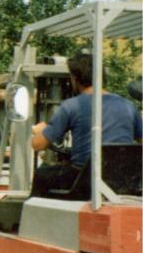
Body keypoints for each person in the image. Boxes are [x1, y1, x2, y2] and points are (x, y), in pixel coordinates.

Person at [31, 53, 142, 196]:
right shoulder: (129, 106)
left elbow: (38, 145)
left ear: (75, 79)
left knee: (42, 175)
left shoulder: (71, 106)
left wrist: (42, 131)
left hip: (84, 183)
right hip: (121, 180)